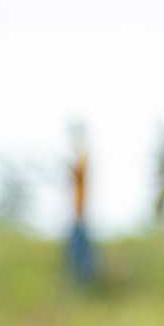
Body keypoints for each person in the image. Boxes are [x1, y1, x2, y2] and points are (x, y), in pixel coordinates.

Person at [64, 121, 96, 288]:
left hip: (80, 217)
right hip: (77, 216)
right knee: (74, 257)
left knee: (81, 259)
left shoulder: (83, 160)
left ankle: (84, 286)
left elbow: (78, 172)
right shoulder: (81, 160)